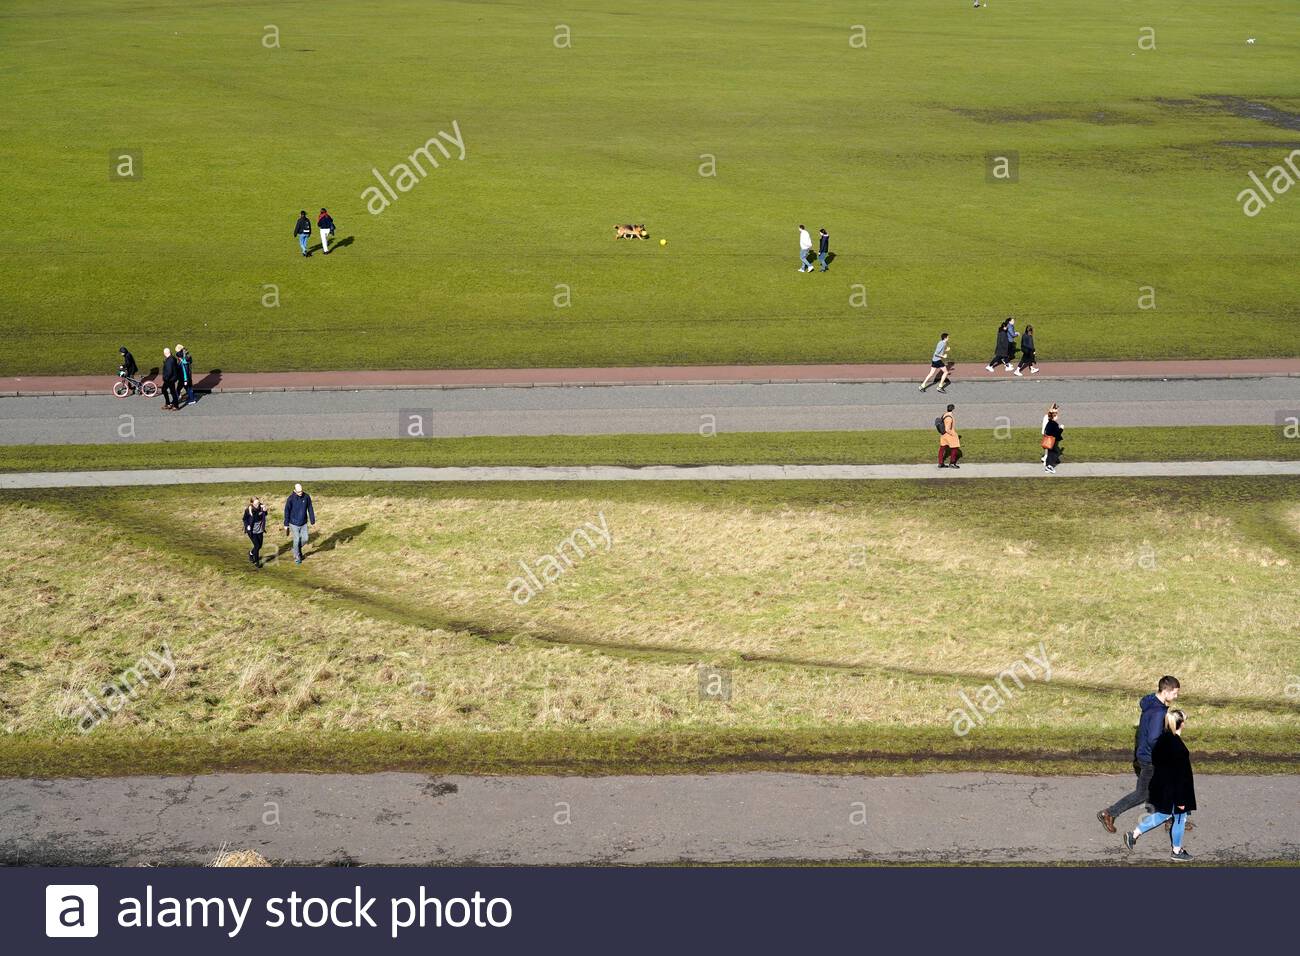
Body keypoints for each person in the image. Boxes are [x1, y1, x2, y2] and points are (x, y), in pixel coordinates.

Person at [1097, 676, 1181, 833]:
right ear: (1165, 691)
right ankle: (1109, 813)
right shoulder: (1158, 712)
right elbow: (1154, 739)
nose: (1176, 697)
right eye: (1175, 693)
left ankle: (1170, 819)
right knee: (1143, 793)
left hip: (1144, 754)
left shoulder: (1151, 701)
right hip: (1151, 759)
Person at [1123, 709, 1196, 861]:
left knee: (1163, 814)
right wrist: (1181, 800)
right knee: (1180, 818)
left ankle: (1134, 834)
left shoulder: (1161, 740)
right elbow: (1180, 777)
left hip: (1162, 788)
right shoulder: (1178, 748)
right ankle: (1176, 851)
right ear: (1181, 724)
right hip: (1175, 791)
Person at [283, 483, 316, 565]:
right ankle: (297, 557)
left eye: (301, 491)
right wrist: (286, 524)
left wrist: (312, 519)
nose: (300, 493)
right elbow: (287, 511)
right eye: (298, 492)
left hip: (303, 522)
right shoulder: (290, 499)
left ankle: (295, 549)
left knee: (305, 539)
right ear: (295, 491)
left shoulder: (307, 497)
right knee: (297, 539)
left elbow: (310, 507)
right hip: (293, 523)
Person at [243, 497, 268, 567]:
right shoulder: (248, 510)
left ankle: (251, 553)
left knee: (260, 545)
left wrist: (265, 510)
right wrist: (247, 525)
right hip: (252, 531)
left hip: (260, 529)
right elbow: (244, 519)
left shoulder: (261, 507)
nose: (258, 504)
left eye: (258, 503)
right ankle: (256, 561)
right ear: (252, 503)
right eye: (256, 503)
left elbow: (265, 514)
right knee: (257, 546)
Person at [938, 403, 961, 468]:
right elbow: (947, 429)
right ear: (953, 409)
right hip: (948, 434)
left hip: (943, 435)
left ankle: (940, 463)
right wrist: (953, 434)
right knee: (955, 448)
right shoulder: (950, 417)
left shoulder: (945, 414)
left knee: (942, 448)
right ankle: (952, 463)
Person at [1042, 407, 1063, 474]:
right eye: (1056, 415)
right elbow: (1057, 434)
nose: (1057, 416)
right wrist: (1061, 429)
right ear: (1054, 417)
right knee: (1055, 453)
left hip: (1049, 441)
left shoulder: (1049, 423)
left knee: (1050, 453)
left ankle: (1047, 467)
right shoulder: (1054, 424)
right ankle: (1050, 466)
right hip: (1053, 441)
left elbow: (1047, 431)